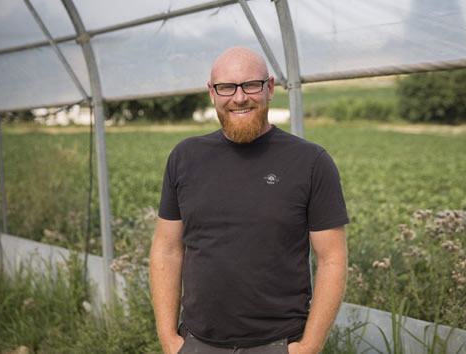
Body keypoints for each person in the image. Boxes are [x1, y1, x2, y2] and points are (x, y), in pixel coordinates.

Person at [149, 47, 349, 354]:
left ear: (269, 88)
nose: (239, 97)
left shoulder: (310, 162)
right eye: (226, 87)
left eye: (251, 85)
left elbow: (332, 260)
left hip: (279, 344)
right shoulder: (185, 157)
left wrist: (308, 347)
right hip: (195, 343)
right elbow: (166, 248)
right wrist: (169, 339)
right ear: (212, 93)